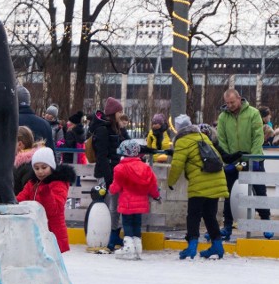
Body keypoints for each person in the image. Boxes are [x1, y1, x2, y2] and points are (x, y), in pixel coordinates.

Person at [168, 117, 230, 260]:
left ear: (178, 129)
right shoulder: (202, 136)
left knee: (193, 215)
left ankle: (191, 247)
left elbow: (177, 165)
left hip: (200, 181)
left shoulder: (182, 141)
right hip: (217, 178)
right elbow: (217, 156)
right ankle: (217, 246)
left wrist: (171, 182)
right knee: (209, 215)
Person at [216, 89, 271, 240]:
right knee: (228, 194)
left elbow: (258, 136)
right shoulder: (223, 117)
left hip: (254, 159)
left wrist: (251, 159)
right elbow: (222, 139)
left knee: (260, 192)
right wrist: (230, 159)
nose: (230, 106)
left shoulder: (253, 113)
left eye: (232, 102)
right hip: (233, 161)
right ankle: (227, 226)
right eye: (227, 103)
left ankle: (266, 224)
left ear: (239, 99)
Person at [15, 146, 75, 253]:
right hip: (37, 229)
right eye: (36, 168)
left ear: (51, 166)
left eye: (44, 167)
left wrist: (46, 193)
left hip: (53, 231)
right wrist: (11, 202)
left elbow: (54, 209)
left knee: (51, 262)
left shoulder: (59, 183)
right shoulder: (32, 184)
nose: (40, 171)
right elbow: (21, 198)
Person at [108, 139, 160, 260]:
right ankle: (137, 248)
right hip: (141, 203)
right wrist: (156, 195)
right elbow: (153, 184)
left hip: (127, 202)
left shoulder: (120, 168)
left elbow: (116, 186)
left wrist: (110, 190)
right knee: (137, 223)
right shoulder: (145, 168)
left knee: (127, 224)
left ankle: (129, 248)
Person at [90, 96, 130, 253]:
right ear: (114, 113)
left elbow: (129, 144)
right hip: (107, 174)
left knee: (115, 205)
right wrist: (109, 178)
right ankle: (110, 235)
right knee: (110, 206)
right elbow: (102, 157)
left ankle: (114, 234)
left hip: (116, 172)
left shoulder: (117, 128)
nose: (122, 114)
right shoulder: (102, 130)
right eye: (120, 111)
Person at [13, 126, 37, 195]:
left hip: (21, 204)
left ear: (20, 145)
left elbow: (27, 193)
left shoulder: (25, 166)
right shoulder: (30, 162)